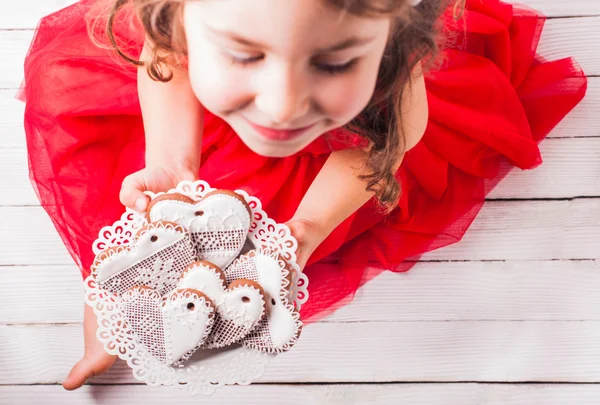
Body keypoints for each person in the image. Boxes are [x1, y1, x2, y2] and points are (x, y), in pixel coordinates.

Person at [19, 0, 586, 390]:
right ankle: (113, 302)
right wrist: (172, 163)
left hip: (338, 154)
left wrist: (304, 230)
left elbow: (379, 149)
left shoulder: (396, 62)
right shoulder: (182, 24)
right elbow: (167, 59)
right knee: (146, 228)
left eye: (335, 61)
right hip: (196, 120)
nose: (284, 107)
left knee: (261, 243)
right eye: (243, 54)